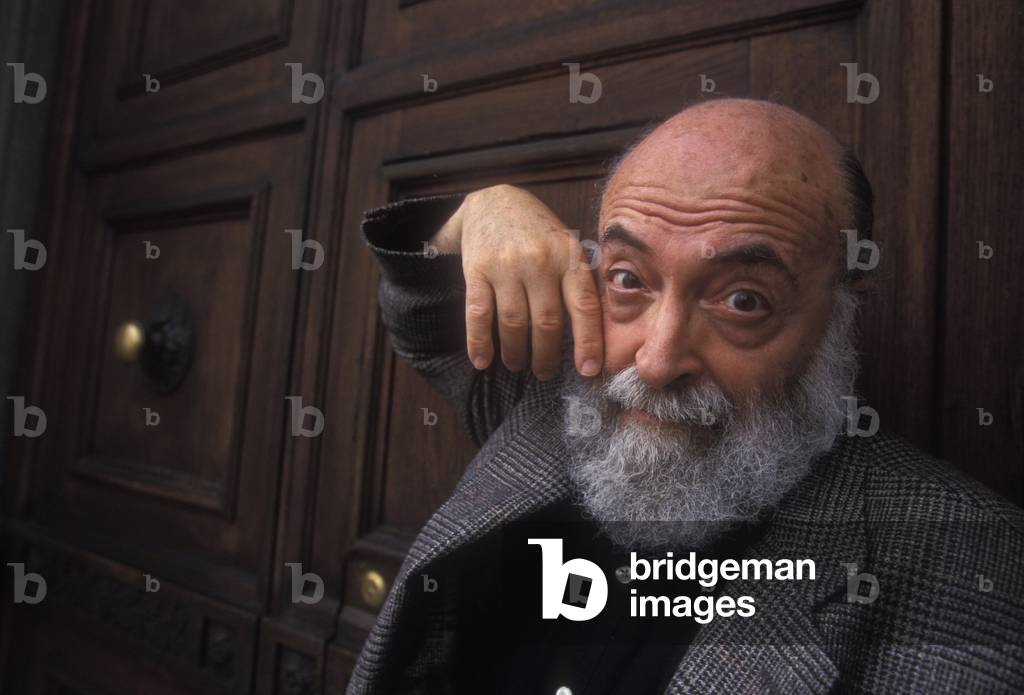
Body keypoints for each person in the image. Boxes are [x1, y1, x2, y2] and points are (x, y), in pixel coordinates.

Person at [346, 98, 1024, 694]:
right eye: (628, 278)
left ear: (841, 317)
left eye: (742, 298)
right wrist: (477, 214)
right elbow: (426, 326)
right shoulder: (550, 406)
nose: (658, 358)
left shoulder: (979, 578)